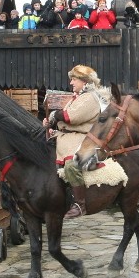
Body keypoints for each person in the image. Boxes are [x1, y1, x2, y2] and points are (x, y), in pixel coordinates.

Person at [42, 65, 107, 219]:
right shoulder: (78, 97)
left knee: (72, 166)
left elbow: (71, 117)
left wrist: (55, 115)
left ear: (84, 81)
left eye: (74, 79)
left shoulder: (91, 97)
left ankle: (80, 204)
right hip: (67, 138)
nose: (71, 83)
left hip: (83, 141)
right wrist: (52, 126)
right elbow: (64, 119)